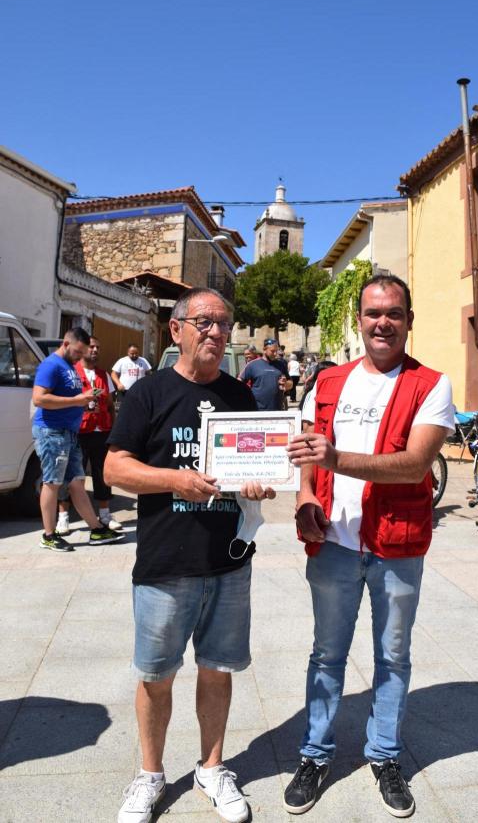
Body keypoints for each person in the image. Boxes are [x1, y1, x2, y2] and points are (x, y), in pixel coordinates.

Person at [283, 274, 454, 817]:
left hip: (396, 545)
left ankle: (385, 756)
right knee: (326, 655)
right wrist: (305, 495)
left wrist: (336, 460)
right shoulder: (328, 381)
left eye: (393, 313)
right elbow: (306, 450)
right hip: (332, 543)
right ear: (358, 320)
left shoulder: (431, 385)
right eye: (373, 313)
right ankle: (315, 754)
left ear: (408, 320)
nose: (383, 323)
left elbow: (414, 465)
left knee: (392, 656)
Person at [104, 287, 277, 823]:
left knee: (218, 670)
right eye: (204, 321)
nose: (216, 332)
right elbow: (113, 469)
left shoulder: (239, 395)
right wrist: (174, 480)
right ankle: (150, 775)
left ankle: (212, 767)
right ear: (176, 329)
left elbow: (254, 466)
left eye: (224, 323)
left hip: (228, 560)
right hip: (165, 563)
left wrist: (258, 483)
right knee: (155, 676)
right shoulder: (148, 393)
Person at [31, 328, 124, 551]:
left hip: (69, 434)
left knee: (77, 483)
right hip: (52, 432)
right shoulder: (51, 365)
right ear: (66, 344)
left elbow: (70, 398)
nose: (80, 356)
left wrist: (83, 403)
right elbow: (39, 398)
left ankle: (97, 529)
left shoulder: (69, 366)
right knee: (52, 483)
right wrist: (77, 400)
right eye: (78, 352)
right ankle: (48, 535)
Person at [56, 337, 122, 536]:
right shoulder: (71, 372)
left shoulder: (104, 375)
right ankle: (63, 518)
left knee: (102, 474)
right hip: (78, 431)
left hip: (101, 431)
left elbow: (109, 404)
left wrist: (114, 430)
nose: (95, 350)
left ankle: (105, 515)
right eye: (91, 347)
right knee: (71, 475)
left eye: (97, 347)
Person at [238, 337, 292, 410]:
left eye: (276, 351)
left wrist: (285, 384)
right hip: (258, 410)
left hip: (277, 410)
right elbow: (239, 382)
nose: (275, 354)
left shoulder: (281, 365)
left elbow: (290, 383)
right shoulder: (253, 365)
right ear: (264, 350)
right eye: (272, 351)